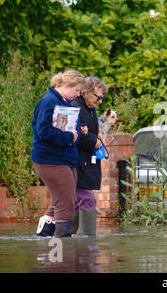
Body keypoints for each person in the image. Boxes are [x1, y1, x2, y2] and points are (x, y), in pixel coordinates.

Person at [32, 70, 86, 238]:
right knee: (66, 205)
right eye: (77, 90)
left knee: (65, 200)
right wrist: (70, 136)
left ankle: (44, 236)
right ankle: (61, 247)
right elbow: (44, 132)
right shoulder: (49, 102)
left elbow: (71, 130)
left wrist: (76, 134)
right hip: (50, 159)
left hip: (66, 159)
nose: (78, 95)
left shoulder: (65, 103)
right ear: (67, 85)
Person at [70, 76, 108, 236]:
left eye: (102, 98)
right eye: (98, 97)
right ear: (85, 92)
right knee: (87, 200)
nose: (100, 101)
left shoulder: (90, 108)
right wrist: (93, 140)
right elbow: (72, 134)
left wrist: (94, 138)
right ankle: (87, 242)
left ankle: (66, 238)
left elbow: (88, 132)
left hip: (86, 163)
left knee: (74, 203)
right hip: (76, 163)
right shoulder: (75, 107)